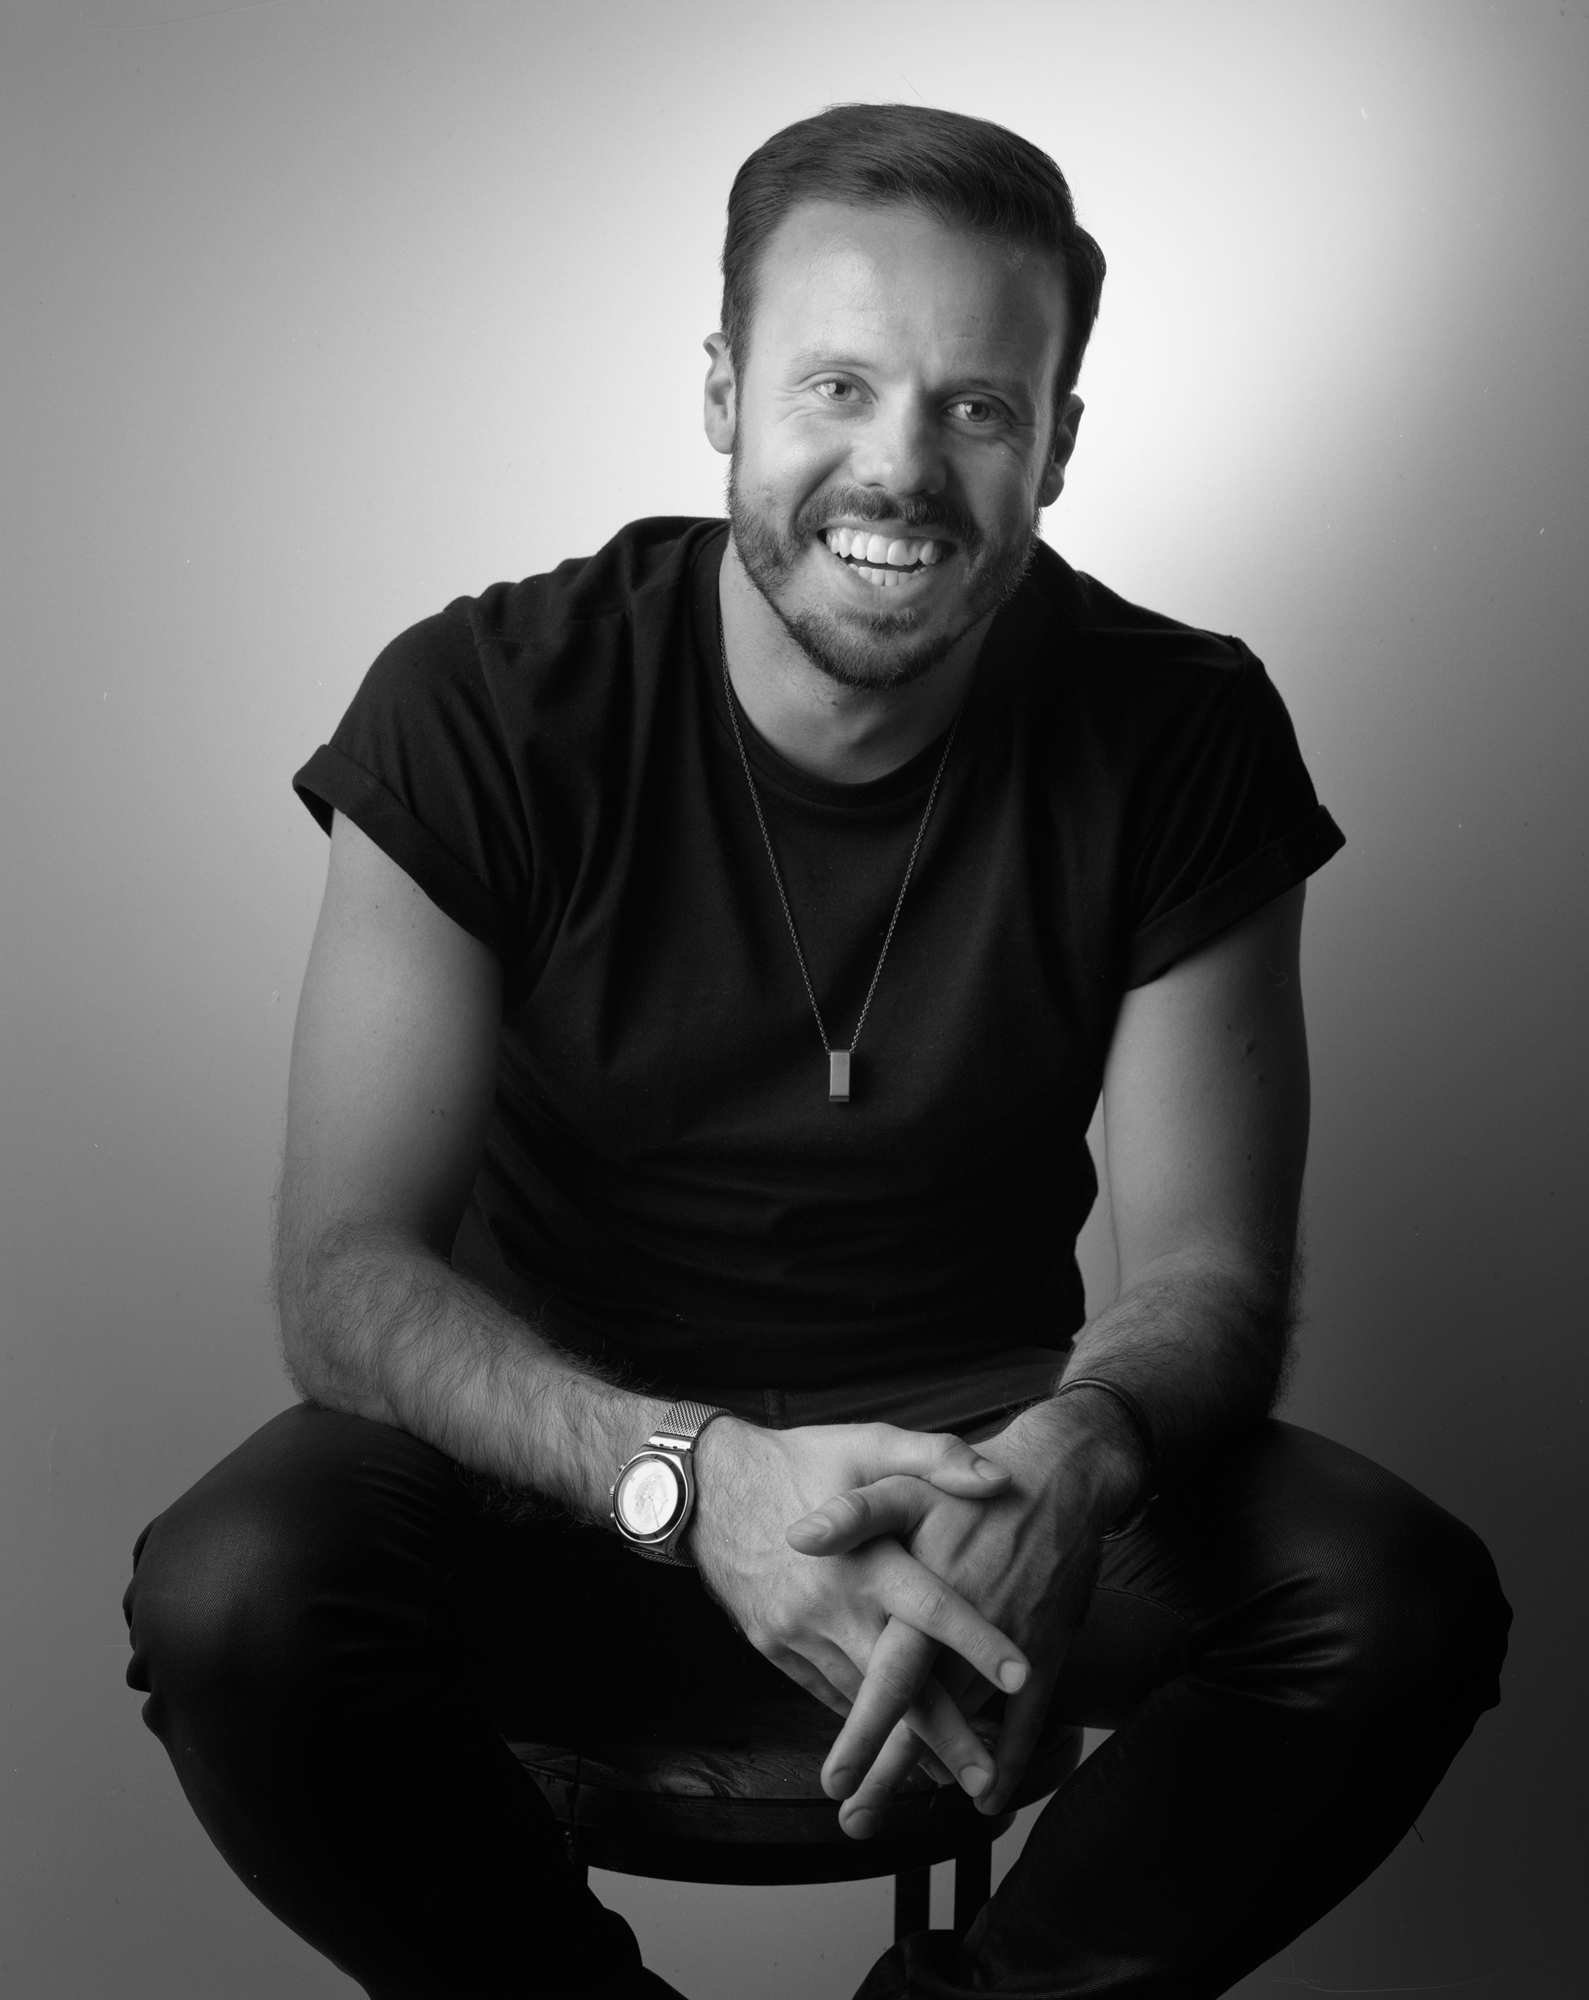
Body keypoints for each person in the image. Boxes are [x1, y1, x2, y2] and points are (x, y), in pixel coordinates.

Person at [123, 104, 1510, 1999]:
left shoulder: (1178, 727)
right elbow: (346, 1278)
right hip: (566, 1468)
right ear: (722, 392)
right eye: (836, 384)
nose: (898, 466)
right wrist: (696, 1479)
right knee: (232, 1595)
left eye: (975, 405)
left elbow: (1207, 1273)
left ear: (1057, 442)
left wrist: (1071, 1460)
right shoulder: (485, 701)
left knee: (1386, 1607)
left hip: (978, 1461)